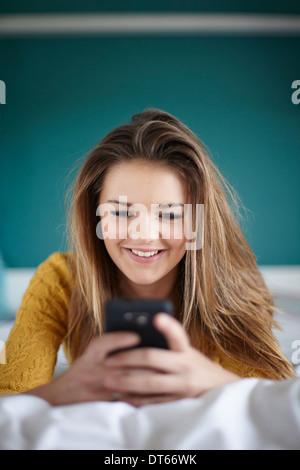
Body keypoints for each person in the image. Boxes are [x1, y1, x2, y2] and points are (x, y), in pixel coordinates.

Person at [0, 108, 295, 406]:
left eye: (169, 214)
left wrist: (215, 382)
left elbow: (281, 407)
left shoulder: (236, 285)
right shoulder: (60, 279)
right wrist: (61, 390)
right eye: (121, 212)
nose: (143, 235)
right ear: (95, 215)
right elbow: (9, 399)